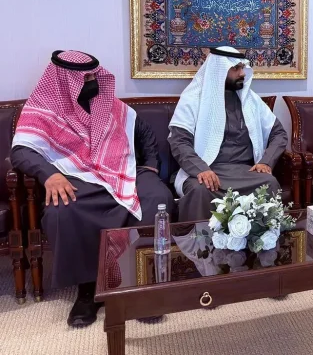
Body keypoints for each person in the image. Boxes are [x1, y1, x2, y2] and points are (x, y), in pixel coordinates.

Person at [10, 50, 174, 328]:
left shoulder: (111, 106)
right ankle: (89, 290)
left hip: (124, 169)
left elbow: (143, 132)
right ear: (65, 79)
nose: (93, 81)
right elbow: (21, 151)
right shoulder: (43, 107)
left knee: (158, 197)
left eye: (94, 75)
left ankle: (141, 283)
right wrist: (49, 175)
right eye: (85, 78)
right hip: (78, 175)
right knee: (64, 210)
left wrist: (150, 167)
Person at [169, 46, 288, 221]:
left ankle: (262, 239)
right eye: (236, 68)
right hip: (207, 170)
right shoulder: (193, 99)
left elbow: (279, 133)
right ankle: (199, 239)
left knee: (269, 183)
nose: (242, 73)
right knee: (200, 190)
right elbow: (179, 142)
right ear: (220, 70)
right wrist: (201, 169)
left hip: (245, 172)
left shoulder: (251, 100)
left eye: (242, 67)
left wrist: (265, 161)